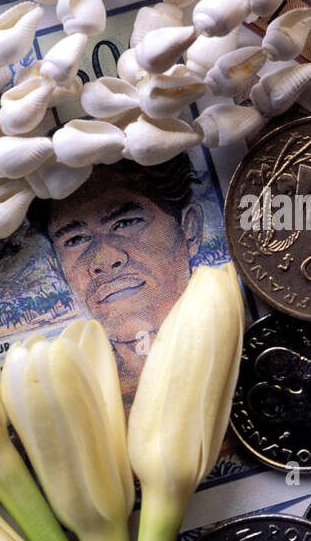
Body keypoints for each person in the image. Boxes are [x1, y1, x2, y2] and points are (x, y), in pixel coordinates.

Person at [27, 154, 203, 401]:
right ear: (56, 268)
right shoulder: (72, 402)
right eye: (75, 239)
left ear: (190, 228)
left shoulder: (255, 344)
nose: (103, 260)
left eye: (125, 223)